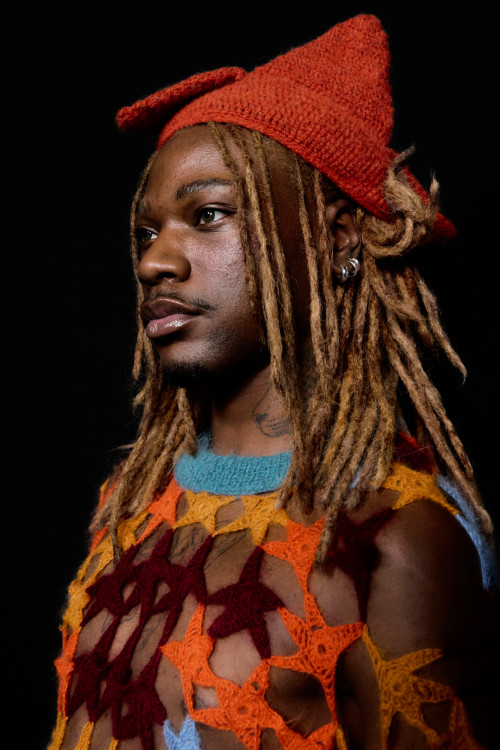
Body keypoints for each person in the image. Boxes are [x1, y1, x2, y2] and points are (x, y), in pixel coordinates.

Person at [47, 14, 498, 750]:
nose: (156, 262)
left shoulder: (397, 540)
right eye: (147, 233)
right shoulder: (128, 502)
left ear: (337, 238)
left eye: (208, 215)